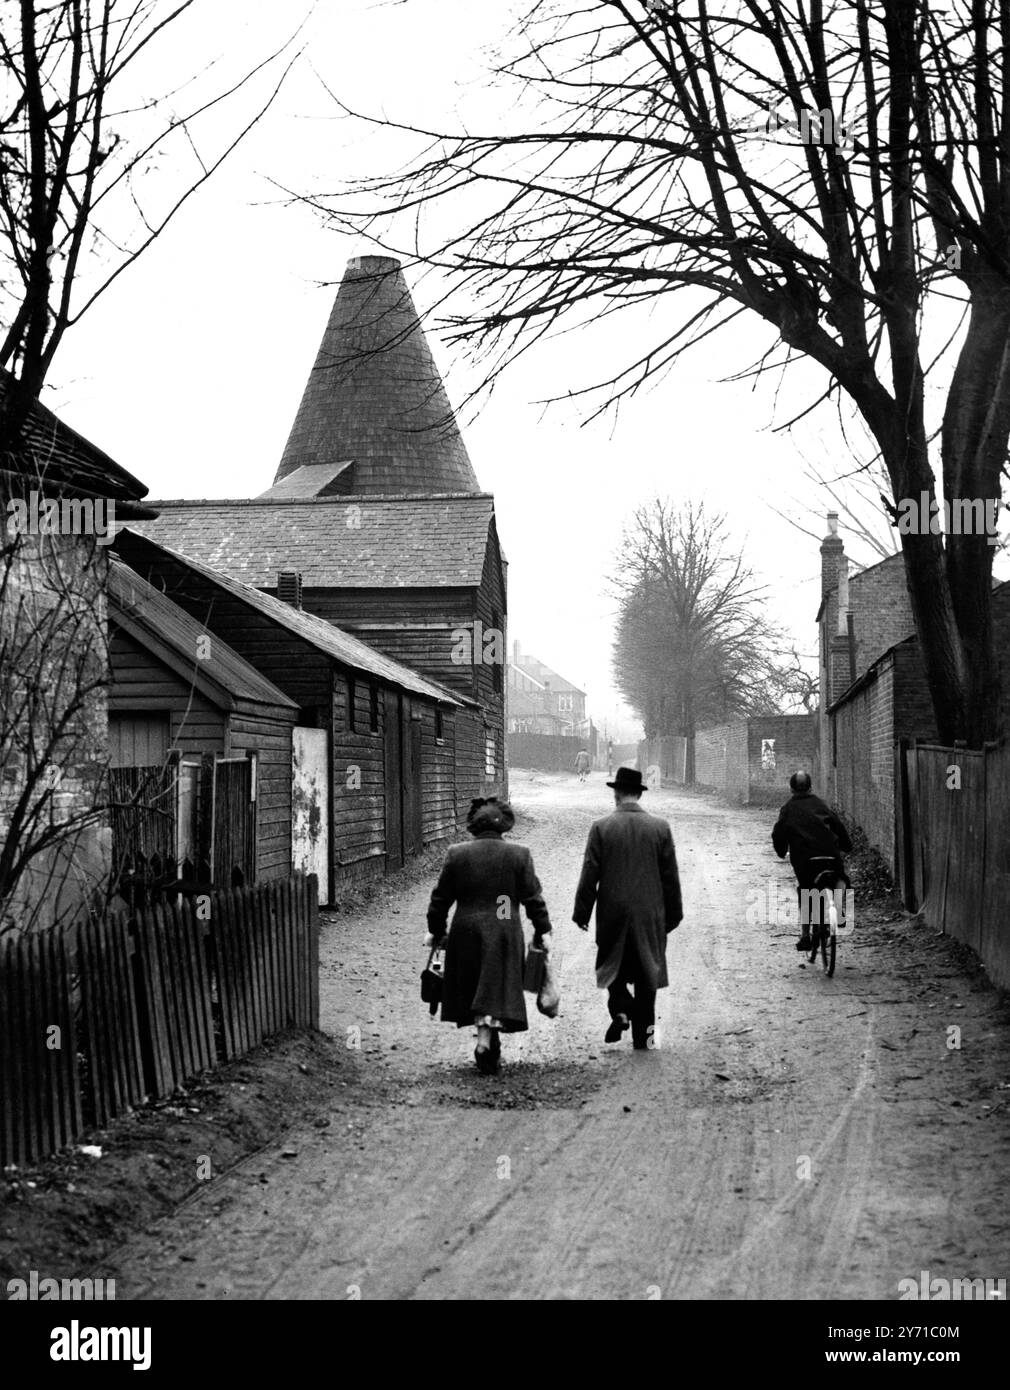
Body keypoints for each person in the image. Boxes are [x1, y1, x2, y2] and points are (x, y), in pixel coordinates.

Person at [425, 797, 552, 1074]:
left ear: (473, 826)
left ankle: (485, 1041)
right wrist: (543, 929)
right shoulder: (519, 854)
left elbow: (440, 899)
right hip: (504, 928)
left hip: (466, 930)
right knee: (494, 985)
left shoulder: (457, 854)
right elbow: (533, 898)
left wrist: (437, 930)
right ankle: (485, 1041)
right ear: (504, 826)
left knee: (475, 985)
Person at [572, 766, 683, 1049]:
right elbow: (670, 877)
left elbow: (590, 873)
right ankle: (644, 1040)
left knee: (612, 967)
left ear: (616, 794)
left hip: (613, 912)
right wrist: (672, 915)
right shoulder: (660, 827)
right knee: (648, 974)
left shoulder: (601, 827)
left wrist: (582, 912)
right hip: (650, 913)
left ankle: (621, 1009)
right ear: (638, 794)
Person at [771, 770, 852, 951]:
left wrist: (781, 851)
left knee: (806, 890)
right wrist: (847, 846)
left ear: (791, 789)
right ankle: (839, 909)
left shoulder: (788, 809)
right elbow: (838, 826)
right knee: (840, 878)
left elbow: (779, 834)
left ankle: (805, 936)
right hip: (829, 853)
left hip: (805, 858)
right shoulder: (821, 804)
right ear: (810, 787)